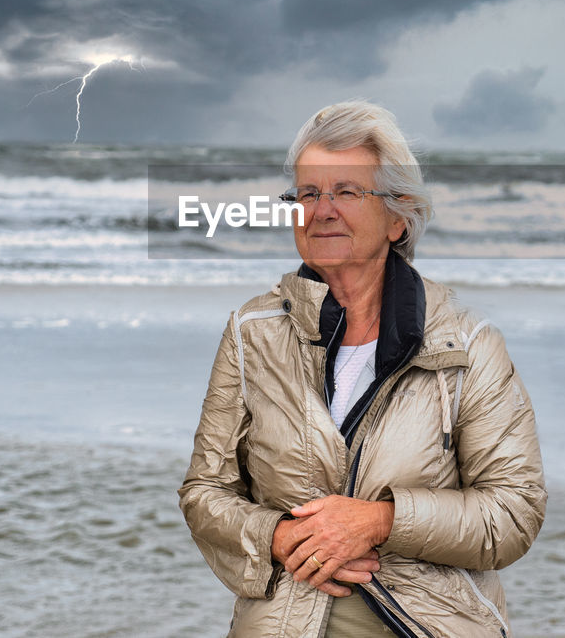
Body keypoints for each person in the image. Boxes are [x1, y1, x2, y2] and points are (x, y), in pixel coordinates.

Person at [179, 101, 546, 637]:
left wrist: (380, 522)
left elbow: (513, 512)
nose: (321, 210)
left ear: (398, 217)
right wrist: (280, 537)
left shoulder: (467, 344)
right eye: (308, 193)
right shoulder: (251, 332)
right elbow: (205, 491)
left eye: (347, 192)